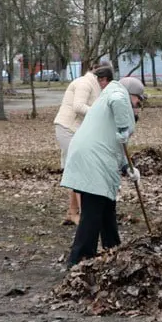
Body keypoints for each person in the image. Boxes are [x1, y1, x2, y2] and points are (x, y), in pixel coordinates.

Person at [61, 76, 146, 267]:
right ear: (131, 94)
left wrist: (127, 168)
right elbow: (118, 100)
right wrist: (125, 126)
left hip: (97, 158)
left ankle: (113, 249)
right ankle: (79, 260)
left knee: (107, 208)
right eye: (138, 102)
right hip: (92, 159)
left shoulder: (114, 106)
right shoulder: (118, 93)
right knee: (92, 213)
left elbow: (118, 145)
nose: (137, 107)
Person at [54, 63, 113, 225]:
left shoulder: (92, 85)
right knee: (80, 171)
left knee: (75, 170)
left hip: (76, 130)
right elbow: (79, 107)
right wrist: (100, 114)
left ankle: (73, 213)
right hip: (68, 128)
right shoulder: (84, 83)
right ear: (100, 77)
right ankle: (86, 215)